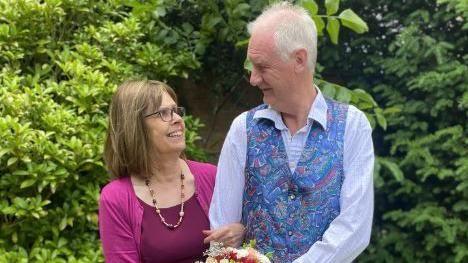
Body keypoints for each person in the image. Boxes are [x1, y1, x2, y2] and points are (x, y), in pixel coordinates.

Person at [208, 2, 374, 263]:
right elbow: (221, 228)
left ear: (299, 60)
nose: (252, 79)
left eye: (262, 67)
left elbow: (355, 227)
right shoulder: (243, 128)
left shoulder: (352, 125)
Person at [99, 80, 229, 262]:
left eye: (176, 111)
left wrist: (240, 230)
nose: (177, 119)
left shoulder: (212, 177)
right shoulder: (116, 198)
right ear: (135, 127)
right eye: (163, 113)